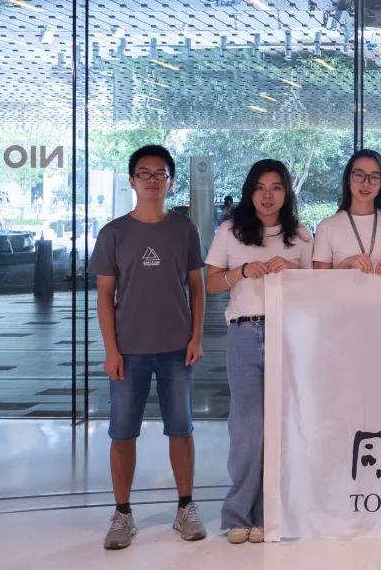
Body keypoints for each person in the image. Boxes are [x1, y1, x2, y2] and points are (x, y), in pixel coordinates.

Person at [90, 145, 206, 550]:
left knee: (181, 429)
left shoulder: (184, 230)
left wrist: (196, 337)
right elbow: (104, 297)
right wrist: (111, 350)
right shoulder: (113, 233)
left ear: (170, 182)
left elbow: (197, 287)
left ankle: (185, 507)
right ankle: (122, 514)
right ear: (132, 181)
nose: (153, 180)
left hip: (177, 349)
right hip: (129, 352)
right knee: (122, 433)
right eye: (145, 173)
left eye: (160, 174)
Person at [205, 159, 313, 545]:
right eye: (260, 187)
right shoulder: (229, 231)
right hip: (244, 333)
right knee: (248, 428)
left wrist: (294, 272)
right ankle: (239, 514)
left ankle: (271, 513)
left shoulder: (300, 235)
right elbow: (211, 283)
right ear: (250, 192)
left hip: (288, 333)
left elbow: (315, 289)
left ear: (287, 193)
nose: (268, 195)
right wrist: (243, 272)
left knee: (281, 425)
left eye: (276, 187)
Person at [313, 149, 381, 274]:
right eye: (359, 175)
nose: (366, 184)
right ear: (348, 178)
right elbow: (319, 280)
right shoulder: (327, 227)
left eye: (374, 177)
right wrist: (345, 264)